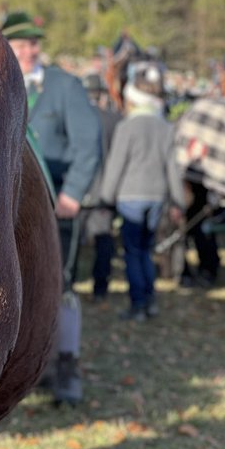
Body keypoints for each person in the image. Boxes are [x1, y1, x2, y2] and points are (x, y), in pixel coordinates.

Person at [1, 11, 101, 403]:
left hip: (59, 205)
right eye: (19, 44)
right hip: (12, 210)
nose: (26, 52)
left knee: (62, 284)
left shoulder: (65, 86)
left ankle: (68, 366)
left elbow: (88, 142)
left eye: (32, 44)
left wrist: (73, 193)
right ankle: (33, 366)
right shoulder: (0, 85)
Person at [99, 65, 184, 321]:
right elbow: (173, 168)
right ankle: (151, 300)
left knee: (133, 252)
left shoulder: (127, 128)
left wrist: (106, 197)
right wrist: (177, 200)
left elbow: (116, 166)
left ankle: (138, 304)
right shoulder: (165, 128)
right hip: (157, 196)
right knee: (147, 250)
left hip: (130, 197)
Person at [81, 73, 121, 300]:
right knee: (103, 240)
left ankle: (69, 284)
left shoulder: (75, 118)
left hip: (78, 188)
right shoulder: (114, 119)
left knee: (71, 241)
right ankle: (100, 286)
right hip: (105, 188)